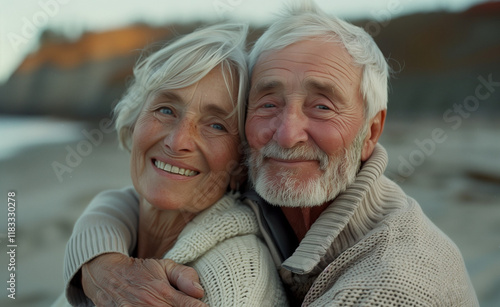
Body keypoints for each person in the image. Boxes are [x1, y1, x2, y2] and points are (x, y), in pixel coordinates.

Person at [62, 2, 479, 306]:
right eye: (268, 103)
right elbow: (128, 200)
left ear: (371, 132)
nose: (287, 133)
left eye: (321, 105)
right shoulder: (276, 189)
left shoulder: (391, 284)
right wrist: (102, 262)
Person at [52, 23, 289, 307]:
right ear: (134, 120)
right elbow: (118, 201)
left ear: (240, 165)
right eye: (166, 110)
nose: (178, 142)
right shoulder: (115, 233)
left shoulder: (235, 275)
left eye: (216, 125)